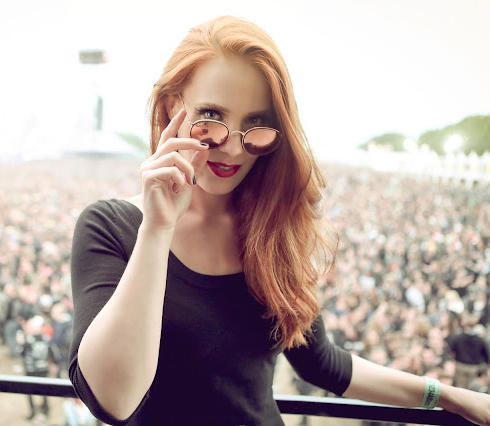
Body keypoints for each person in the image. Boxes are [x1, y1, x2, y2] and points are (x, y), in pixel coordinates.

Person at [68, 16, 490, 426]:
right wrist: (157, 230)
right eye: (211, 117)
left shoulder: (272, 230)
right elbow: (114, 400)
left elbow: (322, 362)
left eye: (256, 125)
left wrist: (447, 396)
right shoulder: (110, 227)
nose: (234, 148)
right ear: (171, 106)